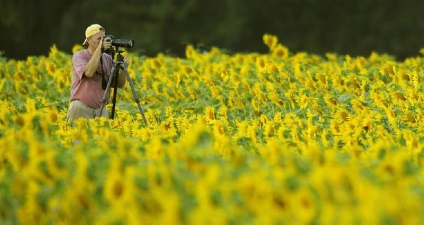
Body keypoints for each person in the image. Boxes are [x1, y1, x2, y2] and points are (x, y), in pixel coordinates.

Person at [67, 24, 128, 123]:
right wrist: (100, 48)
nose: (102, 41)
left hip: (101, 108)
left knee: (103, 138)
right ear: (88, 40)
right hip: (81, 107)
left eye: (104, 38)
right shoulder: (79, 56)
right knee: (78, 137)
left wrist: (122, 68)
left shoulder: (107, 58)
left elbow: (119, 84)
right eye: (99, 39)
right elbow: (89, 72)